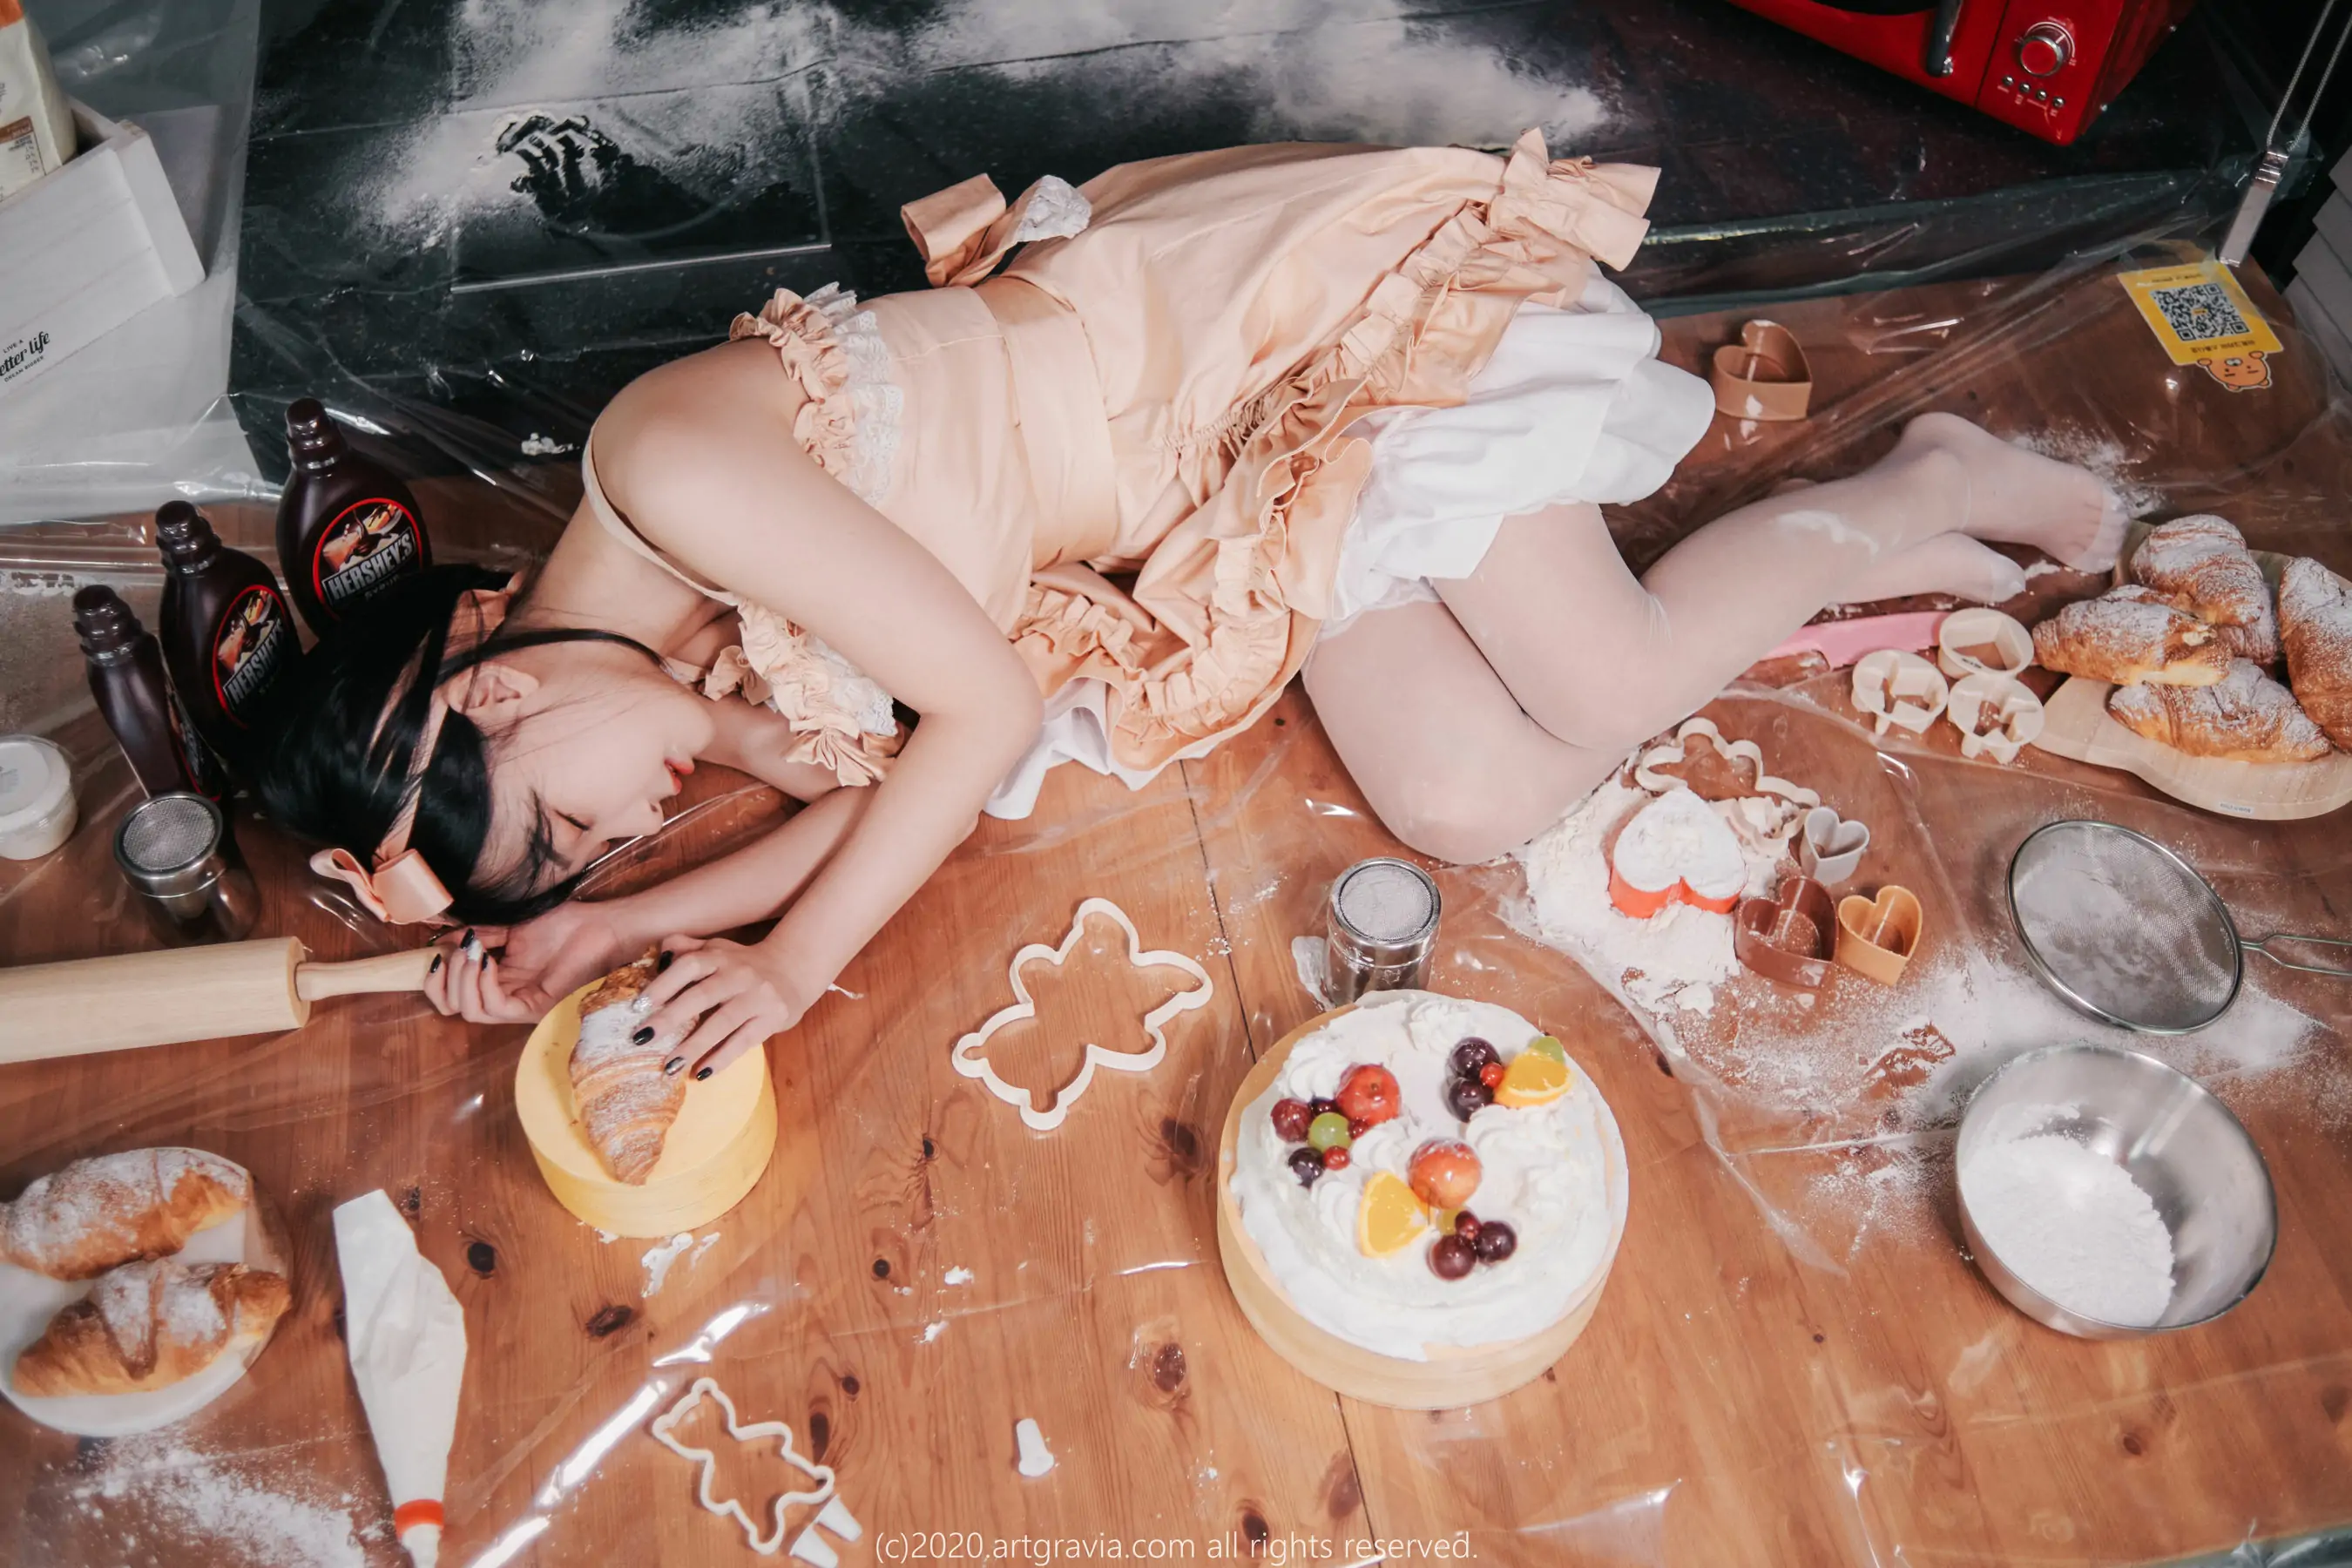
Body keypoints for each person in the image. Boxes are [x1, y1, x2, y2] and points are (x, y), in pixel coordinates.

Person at [255, 132, 2124, 1078]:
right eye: (597, 853)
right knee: (1471, 798)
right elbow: (860, 794)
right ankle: (1821, 554)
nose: (635, 824)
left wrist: (792, 968)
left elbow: (977, 724)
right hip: (1222, 501)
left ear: (496, 693)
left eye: (578, 824)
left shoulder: (668, 470)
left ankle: (1921, 483)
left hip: (1262, 349)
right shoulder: (678, 646)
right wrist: (614, 928)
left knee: (1608, 671)